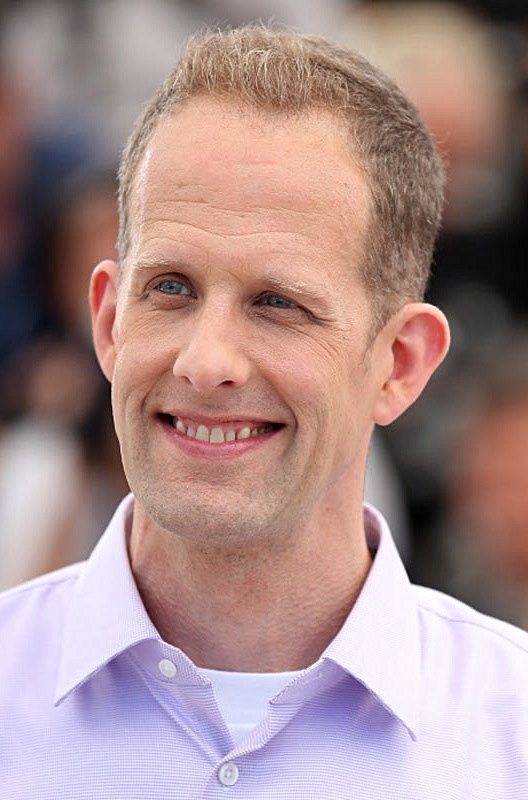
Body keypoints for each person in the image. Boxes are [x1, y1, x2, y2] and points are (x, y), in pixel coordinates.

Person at [1, 26, 527, 799]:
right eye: (171, 288)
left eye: (277, 303)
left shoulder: (510, 735)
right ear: (108, 322)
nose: (206, 361)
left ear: (401, 363)